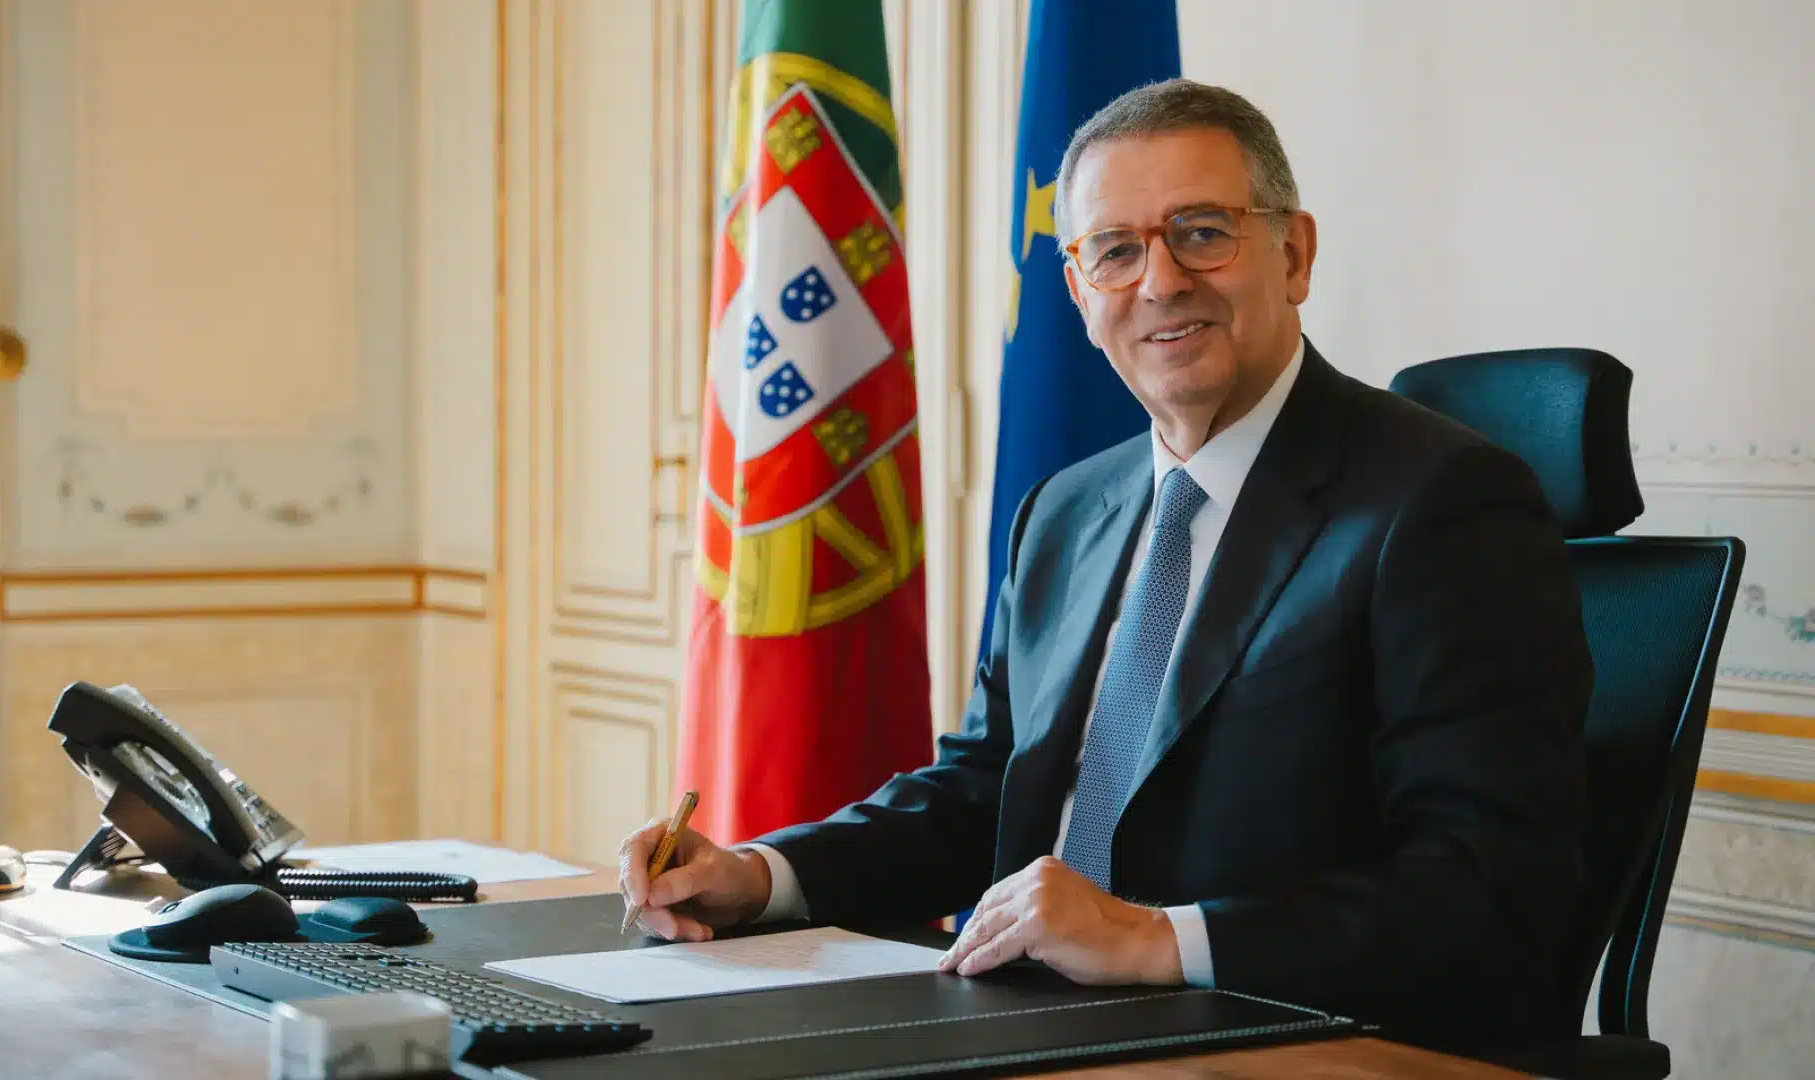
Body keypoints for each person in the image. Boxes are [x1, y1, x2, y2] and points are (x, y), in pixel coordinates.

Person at [619, 77, 1589, 1043]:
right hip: (1028, 1027)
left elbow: (1486, 881)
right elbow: (983, 793)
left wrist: (1161, 940)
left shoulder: (1442, 504)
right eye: (1117, 251)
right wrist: (764, 875)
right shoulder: (1065, 511)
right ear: (1082, 294)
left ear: (1293, 255)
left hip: (1280, 1041)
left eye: (1203, 232)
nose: (1162, 282)